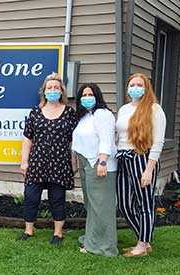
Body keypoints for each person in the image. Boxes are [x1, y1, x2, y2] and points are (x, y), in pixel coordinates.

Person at [18, 73, 78, 245]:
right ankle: (28, 230)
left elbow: (76, 139)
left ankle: (58, 233)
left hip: (60, 164)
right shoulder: (35, 112)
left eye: (56, 88)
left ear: (61, 91)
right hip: (37, 163)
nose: (53, 90)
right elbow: (27, 138)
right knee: (31, 197)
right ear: (44, 91)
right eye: (49, 88)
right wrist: (24, 161)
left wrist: (74, 162)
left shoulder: (69, 113)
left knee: (57, 199)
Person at [116, 73, 166, 257]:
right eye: (132, 84)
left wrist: (149, 170)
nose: (134, 87)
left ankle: (142, 244)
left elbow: (158, 142)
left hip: (142, 158)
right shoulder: (123, 109)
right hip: (122, 159)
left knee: (144, 203)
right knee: (123, 204)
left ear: (146, 88)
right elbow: (119, 136)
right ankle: (144, 237)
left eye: (139, 84)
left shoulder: (154, 109)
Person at [71, 83, 118, 256]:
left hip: (99, 164)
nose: (86, 98)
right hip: (86, 163)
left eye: (90, 94)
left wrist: (103, 162)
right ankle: (92, 239)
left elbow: (106, 139)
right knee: (91, 205)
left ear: (97, 96)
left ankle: (105, 247)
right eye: (83, 95)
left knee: (101, 206)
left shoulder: (102, 114)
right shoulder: (85, 116)